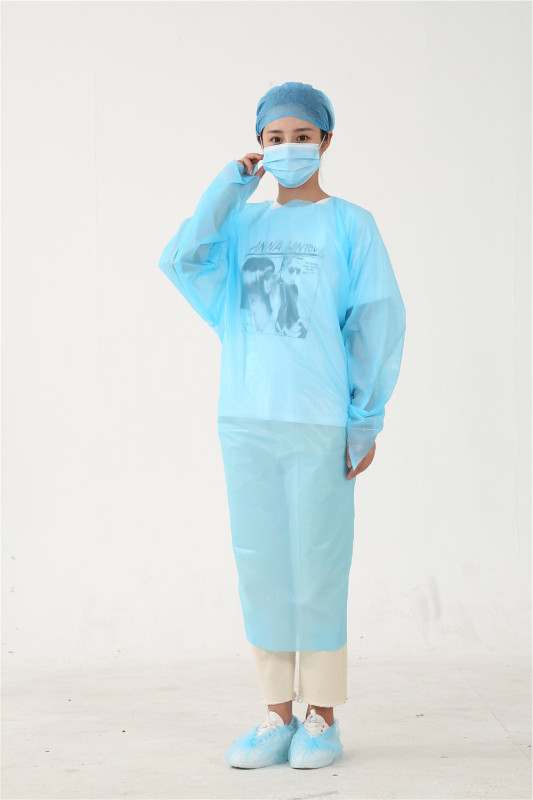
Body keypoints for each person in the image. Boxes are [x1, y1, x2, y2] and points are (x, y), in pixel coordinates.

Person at [158, 81, 406, 770]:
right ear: (258, 147)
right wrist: (227, 189)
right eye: (275, 138)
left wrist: (365, 418)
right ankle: (276, 713)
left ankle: (321, 714)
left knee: (318, 566)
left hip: (318, 421)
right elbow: (181, 259)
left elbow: (376, 319)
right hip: (246, 418)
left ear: (326, 141)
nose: (289, 148)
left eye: (302, 137)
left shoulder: (350, 225)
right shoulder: (241, 225)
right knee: (262, 567)